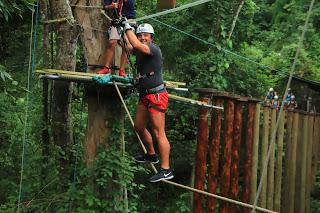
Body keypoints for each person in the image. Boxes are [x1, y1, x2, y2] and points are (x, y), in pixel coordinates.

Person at [121, 21, 174, 182]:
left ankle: (166, 169)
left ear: (151, 37)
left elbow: (136, 44)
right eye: (140, 35)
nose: (142, 37)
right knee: (138, 126)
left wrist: (127, 26)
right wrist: (121, 30)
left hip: (157, 95)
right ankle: (151, 155)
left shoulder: (153, 49)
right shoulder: (139, 51)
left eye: (145, 35)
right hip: (145, 95)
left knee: (159, 132)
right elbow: (128, 46)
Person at [97, 0, 136, 76]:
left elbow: (130, 3)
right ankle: (106, 68)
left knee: (126, 46)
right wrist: (110, 6)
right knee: (112, 42)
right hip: (117, 20)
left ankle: (122, 70)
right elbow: (105, 6)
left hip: (129, 20)